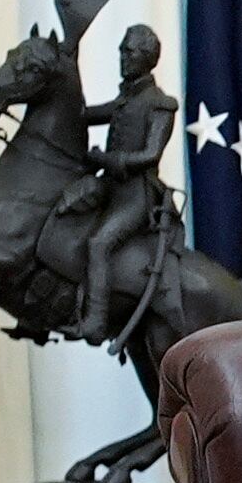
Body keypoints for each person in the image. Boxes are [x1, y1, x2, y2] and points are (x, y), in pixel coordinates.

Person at [73, 23, 181, 340]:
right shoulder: (125, 100)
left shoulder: (161, 103)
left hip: (137, 194)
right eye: (122, 50)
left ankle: (95, 321)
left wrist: (107, 160)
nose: (122, 56)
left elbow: (150, 155)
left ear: (146, 58)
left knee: (99, 243)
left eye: (129, 51)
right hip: (111, 186)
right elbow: (86, 114)